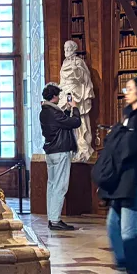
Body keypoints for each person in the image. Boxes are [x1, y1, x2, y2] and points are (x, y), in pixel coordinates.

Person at [100, 77, 137, 274]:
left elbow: (135, 147)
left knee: (132, 229)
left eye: (130, 89)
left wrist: (121, 139)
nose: (126, 93)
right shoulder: (128, 116)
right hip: (122, 180)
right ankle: (125, 264)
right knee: (113, 225)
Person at [39, 83, 81, 231]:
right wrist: (75, 108)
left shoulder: (45, 111)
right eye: (58, 95)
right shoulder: (53, 112)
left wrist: (67, 110)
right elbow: (75, 122)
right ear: (54, 96)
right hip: (60, 151)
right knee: (60, 185)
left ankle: (52, 218)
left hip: (51, 152)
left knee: (52, 185)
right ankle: (55, 220)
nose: (59, 98)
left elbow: (62, 123)